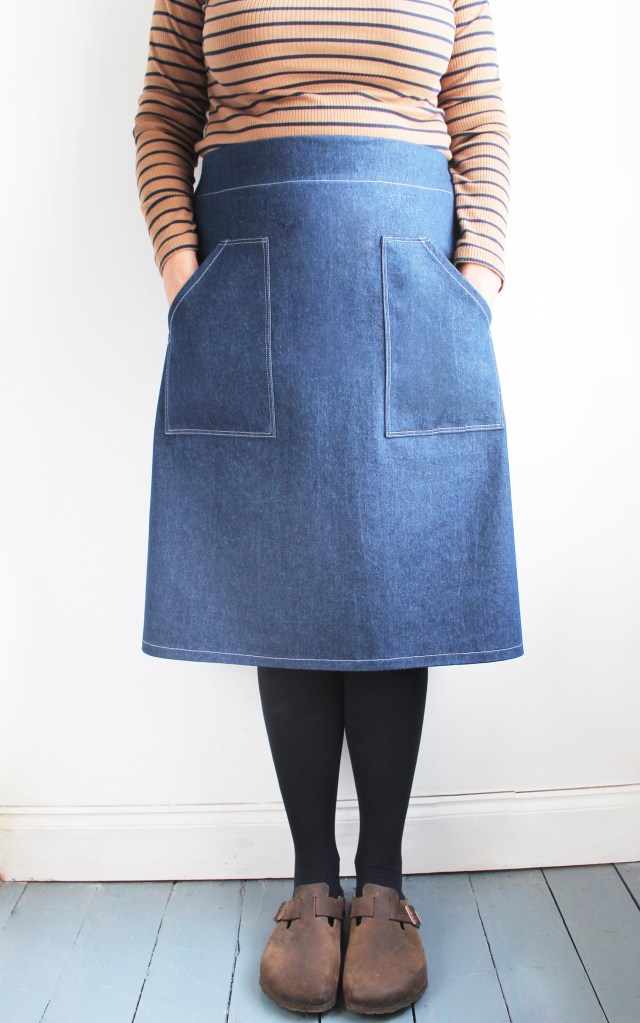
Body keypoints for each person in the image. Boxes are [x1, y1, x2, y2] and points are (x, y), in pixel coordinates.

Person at [132, 0, 522, 1013]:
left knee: (397, 574)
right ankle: (312, 881)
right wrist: (183, 275)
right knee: (282, 568)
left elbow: (478, 117)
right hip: (248, 280)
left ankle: (382, 883)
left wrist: (477, 275)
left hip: (413, 281)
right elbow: (163, 114)